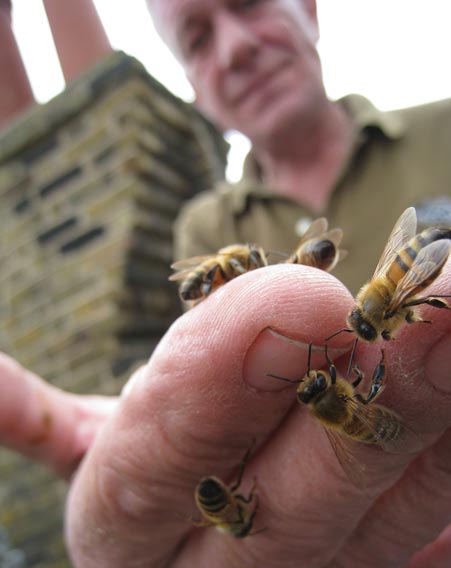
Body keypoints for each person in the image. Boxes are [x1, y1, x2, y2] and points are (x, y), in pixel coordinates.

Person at [2, 1, 451, 567]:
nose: (236, 46)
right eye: (196, 39)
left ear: (308, 10)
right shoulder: (204, 227)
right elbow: (230, 405)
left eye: (248, 2)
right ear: (193, 84)